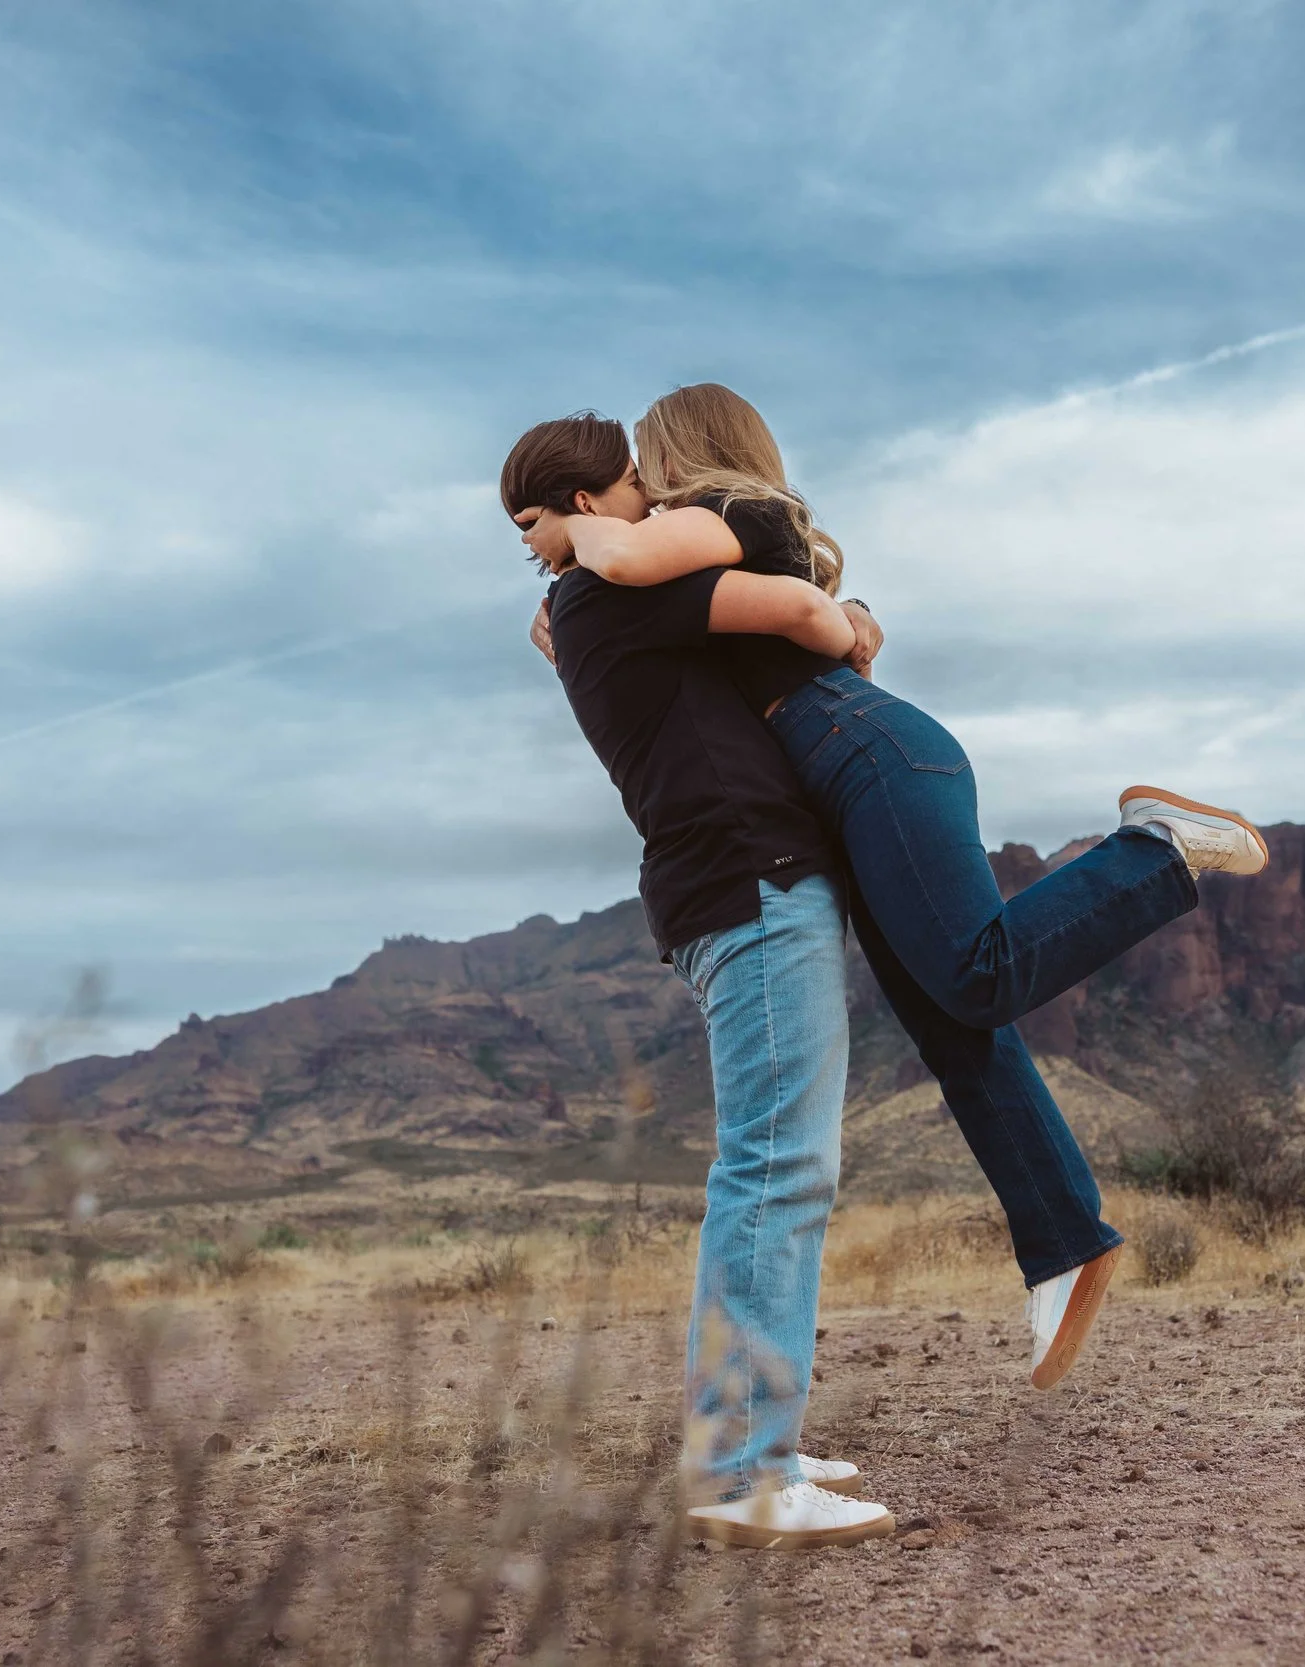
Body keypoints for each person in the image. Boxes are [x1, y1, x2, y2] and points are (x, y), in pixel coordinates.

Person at [517, 385, 1271, 1395]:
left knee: (977, 972)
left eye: (647, 467)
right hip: (846, 771)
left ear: (682, 457)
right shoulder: (707, 542)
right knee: (948, 1017)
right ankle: (1064, 1240)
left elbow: (658, 570)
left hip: (864, 751)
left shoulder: (718, 513)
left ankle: (1156, 848)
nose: (643, 491)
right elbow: (654, 638)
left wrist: (575, 534)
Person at [499, 414, 894, 1550]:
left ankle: (753, 1440)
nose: (660, 495)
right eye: (640, 482)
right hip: (751, 880)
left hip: (730, 883)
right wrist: (852, 620)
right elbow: (811, 622)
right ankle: (741, 1471)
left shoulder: (598, 600)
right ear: (596, 500)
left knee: (780, 1167)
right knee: (776, 1169)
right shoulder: (608, 588)